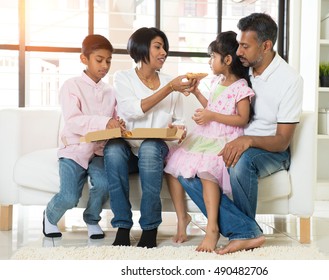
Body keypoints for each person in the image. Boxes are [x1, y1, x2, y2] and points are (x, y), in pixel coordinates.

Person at [177, 12, 303, 254]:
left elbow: (282, 141)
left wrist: (247, 140)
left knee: (240, 160)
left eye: (245, 46)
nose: (239, 52)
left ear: (266, 46)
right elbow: (219, 101)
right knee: (186, 169)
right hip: (231, 140)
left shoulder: (289, 80)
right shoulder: (244, 74)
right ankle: (246, 230)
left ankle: (243, 233)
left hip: (269, 149)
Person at [164, 31, 255, 252]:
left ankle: (212, 228)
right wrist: (197, 93)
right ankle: (182, 218)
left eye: (213, 56)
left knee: (206, 171)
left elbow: (242, 119)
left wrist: (211, 116)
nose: (209, 62)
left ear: (227, 60)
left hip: (225, 137)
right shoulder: (216, 81)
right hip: (207, 133)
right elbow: (212, 106)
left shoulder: (241, 87)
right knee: (171, 164)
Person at [104, 27, 195, 248]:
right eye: (158, 46)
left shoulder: (170, 80)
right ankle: (123, 225)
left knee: (150, 148)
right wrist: (169, 89)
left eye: (164, 47)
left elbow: (180, 120)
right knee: (113, 150)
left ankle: (150, 227)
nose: (163, 52)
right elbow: (134, 110)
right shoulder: (123, 77)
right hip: (128, 148)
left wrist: (178, 130)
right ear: (142, 48)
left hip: (154, 150)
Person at [43, 34, 124, 239]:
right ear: (84, 59)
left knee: (104, 184)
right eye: (99, 60)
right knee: (69, 197)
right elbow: (73, 121)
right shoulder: (71, 86)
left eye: (108, 61)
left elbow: (115, 118)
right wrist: (105, 122)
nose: (104, 65)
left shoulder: (111, 91)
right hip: (73, 151)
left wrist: (119, 124)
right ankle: (49, 216)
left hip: (98, 152)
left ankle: (92, 219)